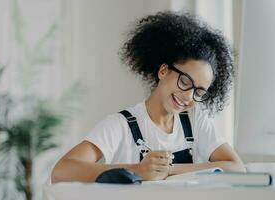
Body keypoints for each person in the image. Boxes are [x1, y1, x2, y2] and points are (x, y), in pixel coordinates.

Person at [51, 11, 245, 183]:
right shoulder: (121, 125)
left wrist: (170, 170)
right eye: (185, 82)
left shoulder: (196, 121)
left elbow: (236, 167)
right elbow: (62, 171)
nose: (188, 96)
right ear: (163, 71)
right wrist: (138, 170)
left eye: (199, 91)